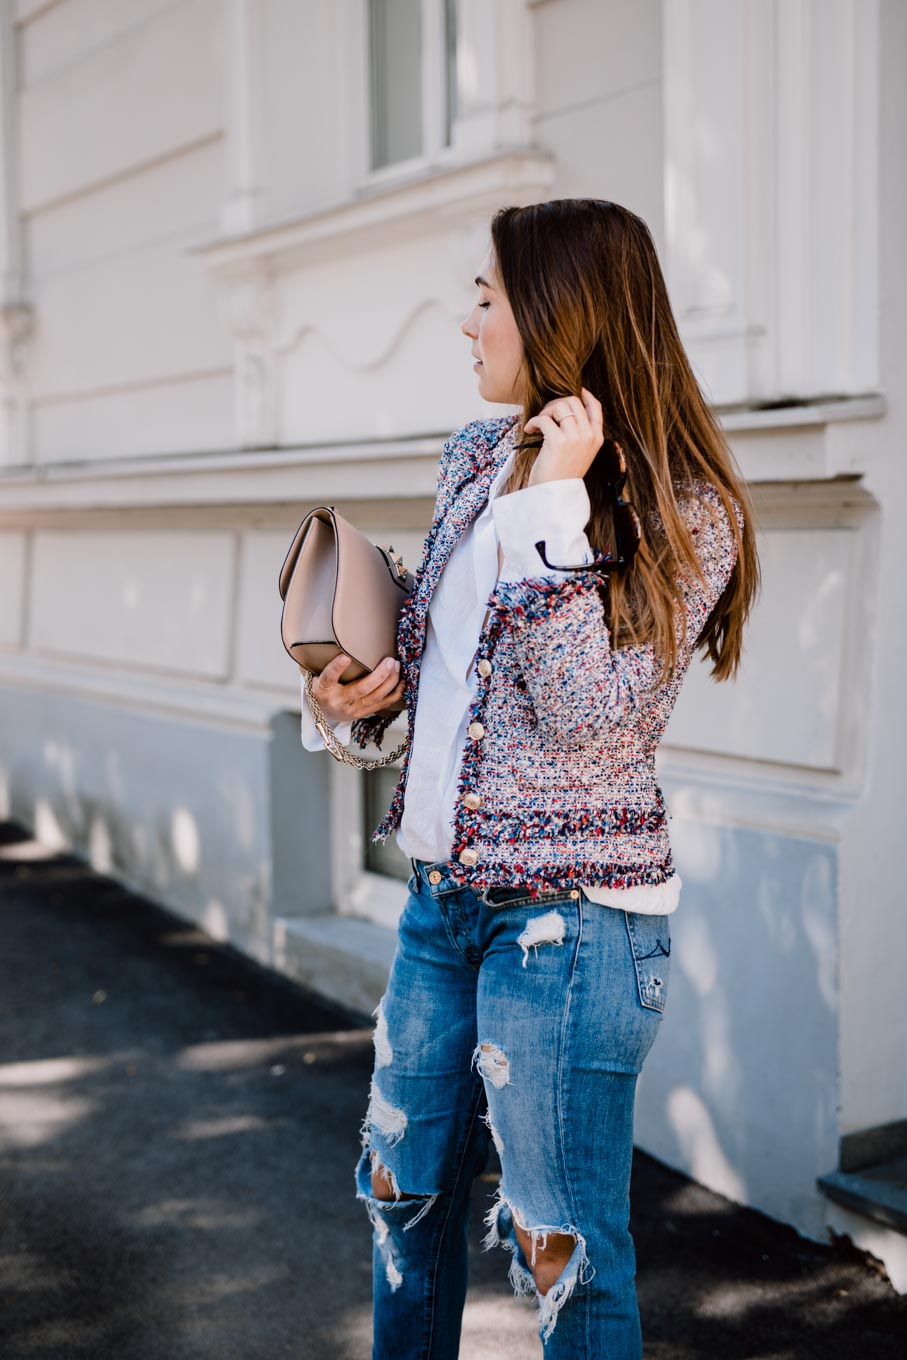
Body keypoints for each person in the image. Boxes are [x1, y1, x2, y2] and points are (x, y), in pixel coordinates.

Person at [300, 198, 760, 1358]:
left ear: (561, 313)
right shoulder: (471, 458)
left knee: (563, 1250)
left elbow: (590, 717)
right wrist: (348, 702)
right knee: (402, 1205)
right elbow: (439, 692)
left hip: (568, 932)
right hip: (438, 904)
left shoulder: (683, 509)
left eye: (488, 297)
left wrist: (556, 502)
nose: (467, 322)